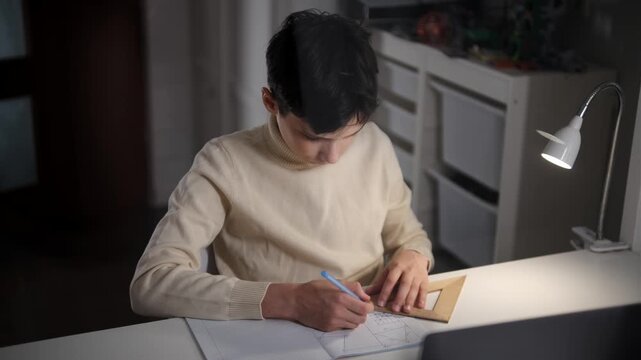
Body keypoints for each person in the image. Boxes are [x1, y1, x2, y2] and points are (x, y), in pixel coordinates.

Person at [130, 9, 434, 332]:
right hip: (269, 339)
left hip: (368, 333)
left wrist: (415, 256)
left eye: (349, 135)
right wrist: (290, 301)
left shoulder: (376, 145)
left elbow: (409, 235)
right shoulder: (223, 164)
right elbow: (151, 283)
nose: (333, 157)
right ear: (271, 102)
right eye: (313, 137)